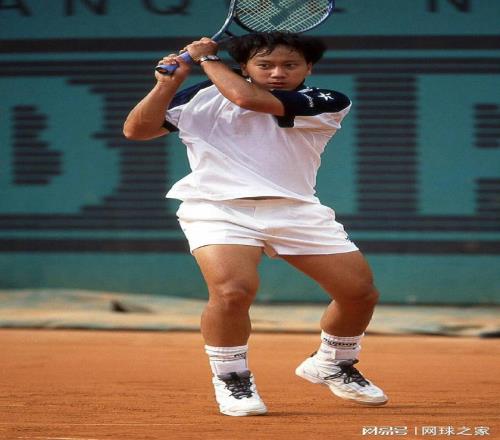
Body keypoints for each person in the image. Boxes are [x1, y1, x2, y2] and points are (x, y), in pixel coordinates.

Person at [123, 31, 388, 417]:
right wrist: (167, 85)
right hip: (216, 208)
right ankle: (232, 377)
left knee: (359, 294)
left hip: (296, 210)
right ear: (245, 67)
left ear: (308, 69)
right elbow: (136, 130)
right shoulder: (200, 96)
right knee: (232, 291)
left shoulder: (327, 101)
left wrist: (205, 58)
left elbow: (248, 99)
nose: (278, 73)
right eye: (265, 65)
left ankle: (333, 362)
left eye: (290, 65)